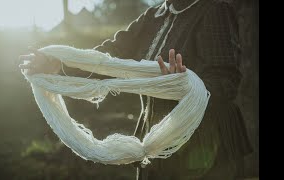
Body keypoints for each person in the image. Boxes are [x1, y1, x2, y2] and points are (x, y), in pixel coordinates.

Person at [19, 0, 253, 179]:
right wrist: (59, 64)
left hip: (208, 145)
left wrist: (186, 86)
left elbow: (226, 82)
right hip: (156, 137)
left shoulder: (213, 10)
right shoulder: (153, 15)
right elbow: (108, 58)